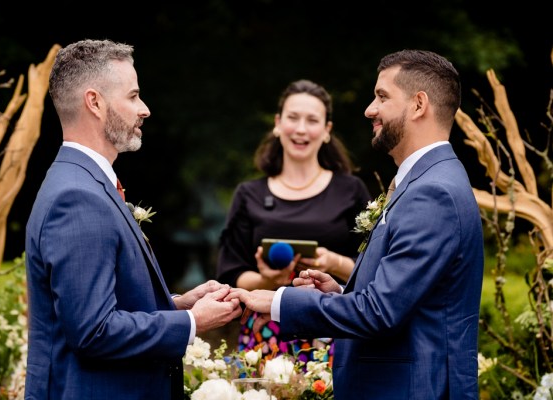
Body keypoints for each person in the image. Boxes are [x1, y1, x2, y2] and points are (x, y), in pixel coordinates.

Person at [227, 49, 484, 399]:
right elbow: (402, 298)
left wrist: (278, 301)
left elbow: (380, 313)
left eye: (381, 96)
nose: (369, 109)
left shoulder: (432, 192)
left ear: (418, 105)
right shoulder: (424, 182)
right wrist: (339, 292)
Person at [24, 39, 241, 400]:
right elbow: (93, 331)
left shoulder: (82, 183)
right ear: (95, 102)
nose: (145, 109)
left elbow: (99, 306)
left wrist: (177, 305)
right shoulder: (77, 198)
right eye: (133, 96)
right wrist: (192, 322)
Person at [216, 79, 372, 364]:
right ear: (278, 123)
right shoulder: (249, 194)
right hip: (264, 336)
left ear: (326, 131)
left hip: (335, 330)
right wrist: (268, 279)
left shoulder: (351, 191)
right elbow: (231, 277)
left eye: (312, 120)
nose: (301, 129)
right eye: (293, 118)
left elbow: (375, 274)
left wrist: (334, 263)